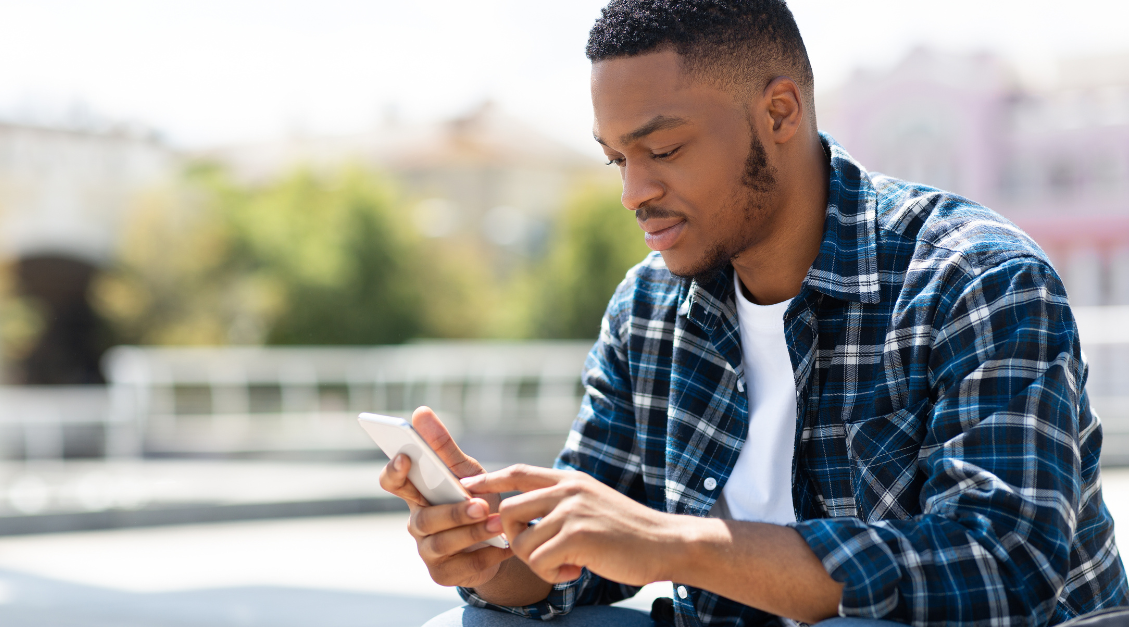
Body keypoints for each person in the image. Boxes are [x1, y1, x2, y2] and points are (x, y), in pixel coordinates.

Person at [379, 1, 1129, 625]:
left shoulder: (976, 278)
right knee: (469, 622)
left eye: (663, 148)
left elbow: (1002, 568)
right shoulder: (648, 310)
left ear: (779, 112)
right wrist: (499, 551)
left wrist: (677, 544)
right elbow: (581, 567)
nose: (632, 192)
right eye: (617, 159)